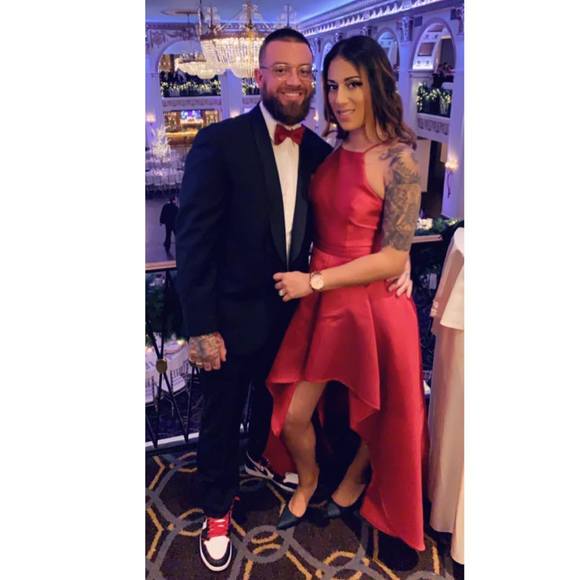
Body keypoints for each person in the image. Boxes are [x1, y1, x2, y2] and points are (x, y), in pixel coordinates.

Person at [175, 28, 331, 573]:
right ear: (259, 76)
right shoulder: (220, 142)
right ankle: (217, 511)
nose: (294, 81)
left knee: (272, 408)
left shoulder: (319, 152)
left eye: (304, 71)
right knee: (220, 420)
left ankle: (259, 460)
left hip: (290, 317)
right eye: (281, 70)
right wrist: (200, 326)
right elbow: (194, 239)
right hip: (227, 319)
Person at [266, 35, 428, 552]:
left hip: (371, 303)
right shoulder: (331, 148)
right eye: (333, 86)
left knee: (383, 411)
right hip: (323, 299)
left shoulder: (400, 160)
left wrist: (316, 281)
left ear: (376, 84)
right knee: (294, 415)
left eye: (352, 84)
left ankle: (357, 477)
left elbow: (393, 257)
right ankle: (310, 479)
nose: (339, 98)